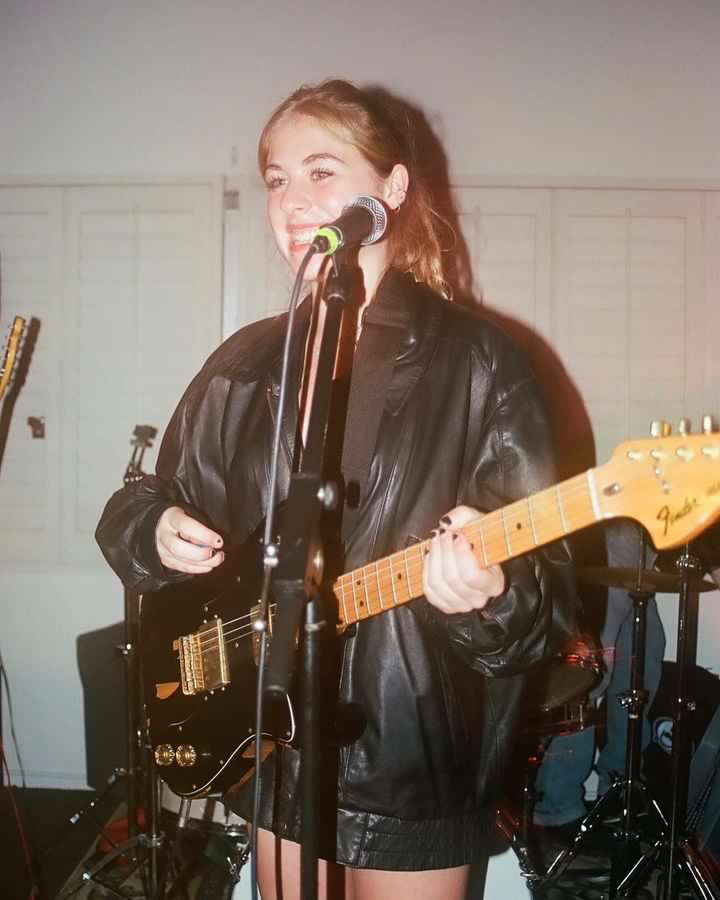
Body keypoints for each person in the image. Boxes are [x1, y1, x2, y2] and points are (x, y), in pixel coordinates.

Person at [95, 79, 575, 900]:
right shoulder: (246, 361)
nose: (290, 200)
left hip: (416, 765)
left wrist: (489, 596)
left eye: (321, 172)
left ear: (391, 189)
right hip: (275, 749)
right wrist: (157, 527)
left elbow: (546, 610)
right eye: (277, 179)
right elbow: (136, 506)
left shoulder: (486, 364)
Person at [533, 518, 720, 837]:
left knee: (644, 660)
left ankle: (619, 791)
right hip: (611, 530)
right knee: (590, 675)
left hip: (641, 543)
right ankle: (556, 811)